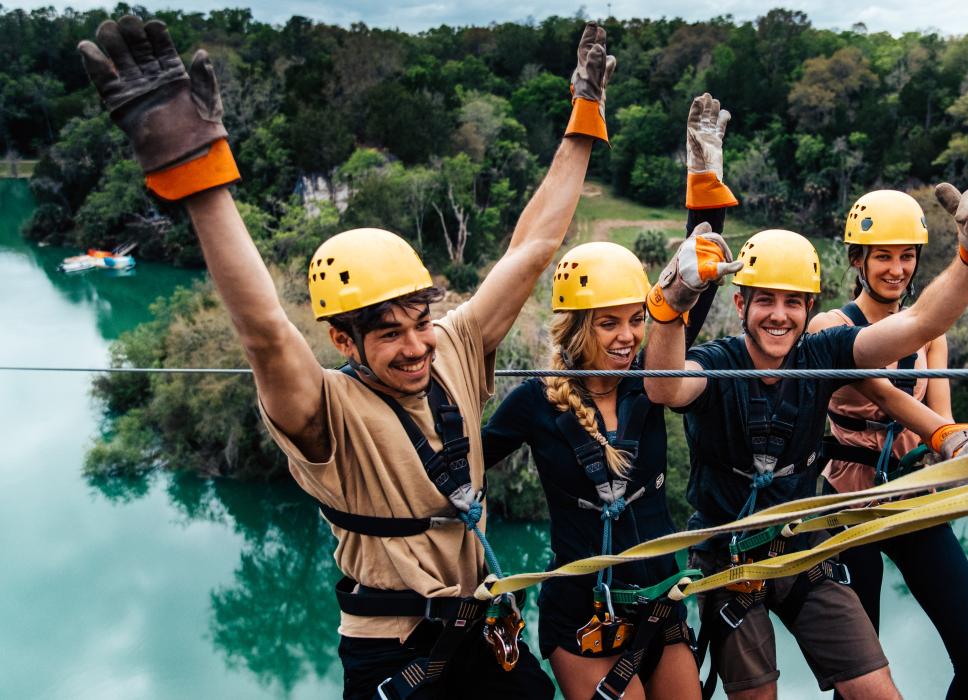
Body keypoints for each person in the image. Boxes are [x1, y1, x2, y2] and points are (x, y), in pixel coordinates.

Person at [77, 15, 616, 699]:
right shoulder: (324, 411)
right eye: (388, 333)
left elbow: (532, 248)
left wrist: (583, 121)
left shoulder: (455, 344)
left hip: (485, 632)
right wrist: (198, 177)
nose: (416, 345)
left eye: (420, 321)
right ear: (343, 341)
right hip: (398, 656)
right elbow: (266, 331)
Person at [642, 177, 968, 699]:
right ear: (740, 306)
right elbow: (664, 387)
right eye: (766, 301)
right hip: (743, 549)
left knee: (875, 688)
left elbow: (923, 323)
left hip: (809, 541)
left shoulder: (821, 353)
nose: (780, 314)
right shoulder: (722, 362)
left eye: (793, 303)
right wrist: (671, 303)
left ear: (807, 307)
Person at [481, 92, 738, 700]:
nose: (627, 338)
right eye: (607, 324)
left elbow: (687, 288)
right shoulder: (535, 403)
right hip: (582, 612)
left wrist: (705, 172)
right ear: (575, 329)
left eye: (633, 320)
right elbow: (463, 467)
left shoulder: (655, 381)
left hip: (657, 605)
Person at [809, 189, 968, 699]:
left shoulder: (932, 336)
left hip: (913, 500)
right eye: (883, 257)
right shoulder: (830, 327)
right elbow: (884, 394)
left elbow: (939, 423)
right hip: (850, 508)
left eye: (907, 256)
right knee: (858, 679)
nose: (896, 269)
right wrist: (947, 435)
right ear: (858, 260)